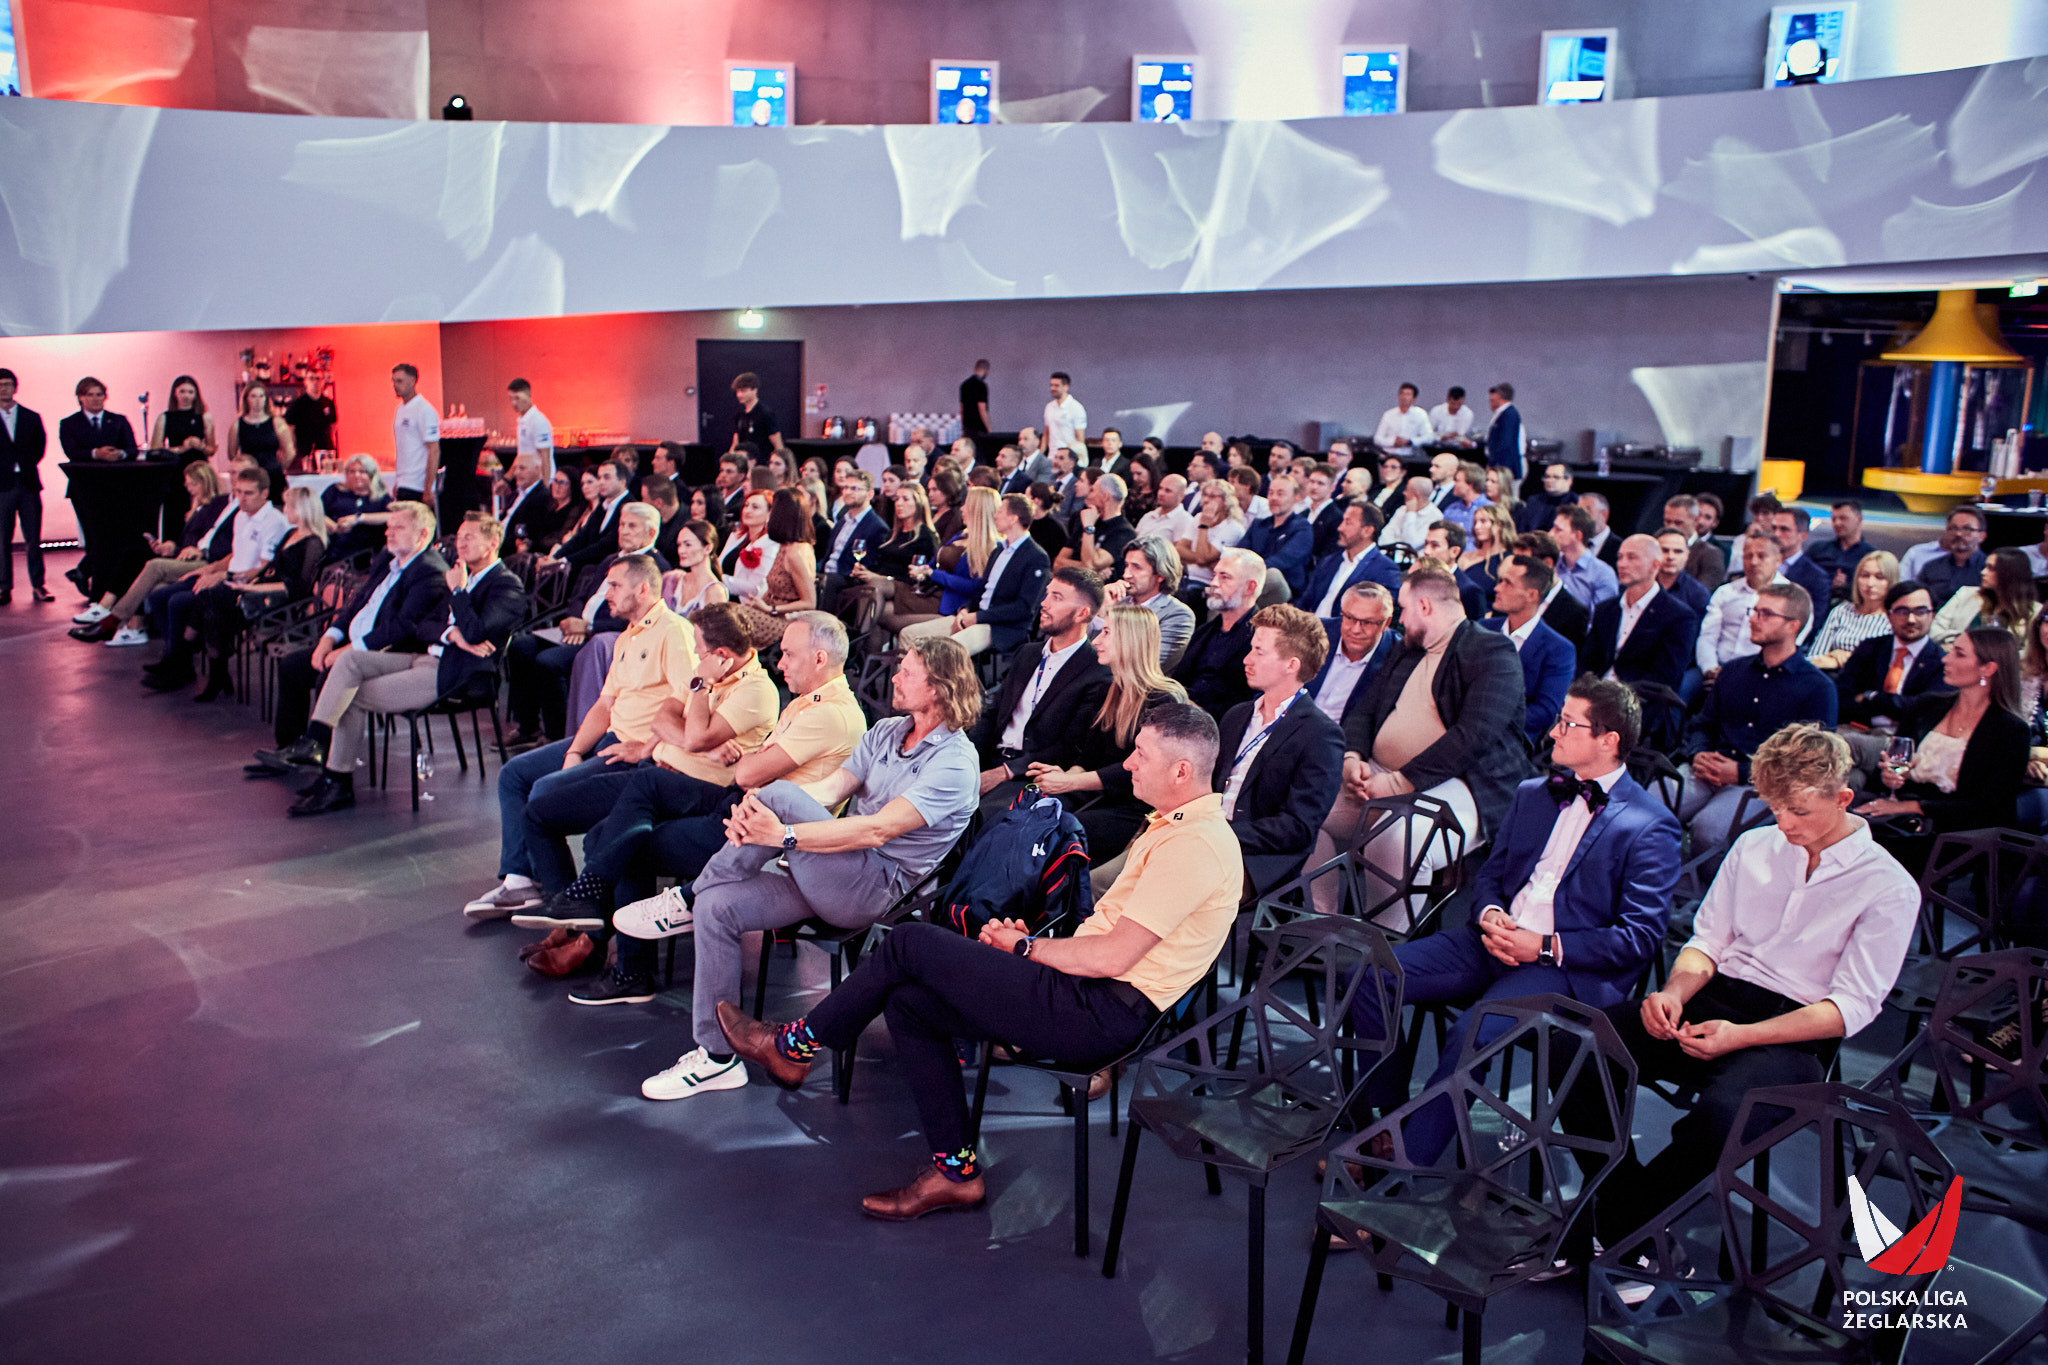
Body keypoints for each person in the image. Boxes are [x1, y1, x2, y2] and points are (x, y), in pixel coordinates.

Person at [716, 702, 1235, 1218]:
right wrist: (1034, 947)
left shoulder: (1194, 846)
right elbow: (1111, 944)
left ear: (1181, 771)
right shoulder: (1178, 828)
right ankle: (956, 1172)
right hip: (1085, 994)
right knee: (910, 1002)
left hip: (1096, 1014)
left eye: (1141, 754)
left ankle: (795, 1045)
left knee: (909, 942)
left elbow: (1113, 956)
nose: (1128, 764)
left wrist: (1026, 949)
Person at [1561, 724, 1917, 1254]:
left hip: (1796, 1030)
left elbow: (1849, 1008)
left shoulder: (1889, 886)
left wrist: (1742, 1035)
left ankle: (1618, 1227)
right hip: (1716, 995)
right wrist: (1675, 992)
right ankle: (1628, 1216)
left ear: (1844, 799)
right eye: (1775, 808)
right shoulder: (1755, 844)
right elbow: (1707, 941)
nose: (1784, 823)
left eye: (1799, 811)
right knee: (1575, 1049)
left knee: (1722, 1118)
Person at [1349, 678, 1681, 1164]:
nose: (1553, 732)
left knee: (1470, 1033)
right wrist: (1490, 914)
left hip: (1564, 970)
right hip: (1492, 940)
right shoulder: (1533, 793)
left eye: (1568, 724)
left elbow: (1639, 938)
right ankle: (1385, 1117)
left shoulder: (1650, 824)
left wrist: (1542, 946)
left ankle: (1403, 1164)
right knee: (1370, 973)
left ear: (1608, 741)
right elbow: (1492, 874)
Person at [645, 638, 979, 1101]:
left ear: (939, 687)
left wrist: (782, 832)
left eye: (907, 671)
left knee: (779, 793)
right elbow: (832, 789)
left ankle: (686, 896)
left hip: (875, 887)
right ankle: (717, 1059)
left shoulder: (956, 763)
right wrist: (763, 812)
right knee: (717, 906)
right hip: (834, 866)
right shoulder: (887, 730)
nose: (894, 677)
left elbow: (876, 831)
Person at [559, 613, 871, 1000]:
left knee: (620, 843)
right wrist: (729, 751)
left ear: (820, 658)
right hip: (739, 802)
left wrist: (732, 750)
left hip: (757, 833)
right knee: (646, 785)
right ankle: (589, 895)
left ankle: (630, 971)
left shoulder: (828, 712)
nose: (780, 663)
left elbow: (744, 770)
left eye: (789, 654)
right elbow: (682, 731)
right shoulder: (809, 702)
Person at [460, 554, 700, 929]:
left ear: (642, 588)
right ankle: (520, 882)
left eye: (615, 585)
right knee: (514, 775)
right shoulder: (627, 635)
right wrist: (574, 750)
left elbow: (689, 701)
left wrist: (647, 747)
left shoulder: (674, 631)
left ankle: (567, 904)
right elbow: (604, 704)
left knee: (544, 791)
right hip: (610, 736)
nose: (607, 593)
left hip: (636, 751)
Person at [1313, 561, 1533, 924]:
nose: (1400, 619)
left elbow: (1473, 736)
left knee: (1396, 839)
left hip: (1466, 783)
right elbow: (1365, 710)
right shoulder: (1408, 649)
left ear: (1425, 606)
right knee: (1308, 806)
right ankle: (1320, 925)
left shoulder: (1492, 651)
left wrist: (1398, 783)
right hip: (1380, 776)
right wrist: (1353, 758)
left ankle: (1386, 945)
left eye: (1403, 608)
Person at [282, 512, 527, 815]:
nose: (460, 544)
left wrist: (459, 593)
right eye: (459, 536)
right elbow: (424, 626)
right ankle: (316, 741)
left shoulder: (506, 586)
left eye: (469, 537)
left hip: (457, 675)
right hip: (427, 657)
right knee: (350, 660)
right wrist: (453, 634)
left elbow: (476, 632)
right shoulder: (459, 575)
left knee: (350, 696)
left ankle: (336, 780)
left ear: (493, 543)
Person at [1026, 605, 1189, 864]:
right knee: (1026, 812)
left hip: (1137, 807)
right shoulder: (1108, 690)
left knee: (1055, 833)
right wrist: (1066, 776)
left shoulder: (1164, 699)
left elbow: (1139, 770)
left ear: (1130, 640)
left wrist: (1071, 783)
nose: (1096, 641)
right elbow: (1089, 755)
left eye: (1106, 632)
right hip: (1099, 794)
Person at [1679, 582, 1836, 848]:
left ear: (1793, 626)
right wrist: (1698, 753)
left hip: (1764, 786)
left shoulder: (1818, 688)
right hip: (1709, 768)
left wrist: (1743, 772)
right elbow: (1703, 724)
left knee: (1708, 832)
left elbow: (1809, 764)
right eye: (1754, 611)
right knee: (1649, 806)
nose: (1752, 619)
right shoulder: (1733, 671)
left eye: (1766, 613)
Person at [1855, 626, 2029, 851]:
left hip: (1954, 832)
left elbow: (1990, 809)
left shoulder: (2011, 730)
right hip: (1899, 814)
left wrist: (1911, 807)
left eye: (1959, 654)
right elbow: (1889, 767)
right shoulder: (1927, 705)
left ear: (1988, 668)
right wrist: (1890, 778)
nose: (1946, 659)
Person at [971, 568, 1110, 813]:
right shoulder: (1028, 653)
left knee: (981, 815)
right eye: (1047, 594)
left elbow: (1069, 747)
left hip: (1033, 774)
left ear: (1082, 613)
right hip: (991, 758)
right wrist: (967, 755)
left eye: (1057, 597)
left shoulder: (1096, 672)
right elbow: (993, 713)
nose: (1044, 603)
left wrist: (1006, 772)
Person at [140, 466, 290, 691]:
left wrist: (223, 575)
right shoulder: (241, 515)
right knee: (159, 596)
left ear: (264, 493)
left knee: (179, 602)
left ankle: (178, 664)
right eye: (238, 492)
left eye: (248, 493)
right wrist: (209, 569)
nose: (241, 498)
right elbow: (234, 555)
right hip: (226, 574)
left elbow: (263, 567)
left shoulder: (273, 522)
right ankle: (176, 658)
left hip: (244, 585)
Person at [71, 462, 229, 643]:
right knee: (134, 556)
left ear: (205, 482)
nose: (189, 489)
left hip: (199, 559)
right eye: (188, 485)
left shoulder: (216, 506)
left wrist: (186, 550)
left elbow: (208, 542)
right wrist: (171, 547)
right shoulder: (195, 508)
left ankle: (112, 619)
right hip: (185, 555)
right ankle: (110, 609)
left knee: (151, 567)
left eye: (194, 484)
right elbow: (189, 542)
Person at [1581, 533, 1698, 748]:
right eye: (1620, 557)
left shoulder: (1679, 616)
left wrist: (1612, 699)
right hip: (1595, 696)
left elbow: (1663, 678)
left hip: (1640, 705)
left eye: (1632, 557)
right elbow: (1588, 661)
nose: (1622, 564)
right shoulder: (1606, 609)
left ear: (1655, 565)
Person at [899, 493, 1049, 658]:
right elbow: (981, 590)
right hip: (974, 616)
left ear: (1013, 518)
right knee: (908, 634)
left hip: (1000, 627)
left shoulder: (1036, 557)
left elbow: (1024, 608)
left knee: (947, 650)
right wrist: (965, 610)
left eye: (1000, 511)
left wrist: (978, 617)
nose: (995, 515)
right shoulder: (999, 550)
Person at [1479, 553, 1577, 749]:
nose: (1497, 588)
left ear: (1531, 595)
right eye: (1501, 581)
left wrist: (1489, 722)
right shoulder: (1482, 628)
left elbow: (1544, 711)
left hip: (1511, 743)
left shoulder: (1559, 649)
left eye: (1508, 583)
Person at [1172, 547, 1265, 716]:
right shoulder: (1205, 631)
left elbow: (1252, 699)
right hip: (1180, 713)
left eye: (1224, 577)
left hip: (1220, 723)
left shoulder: (1261, 638)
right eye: (1215, 575)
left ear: (1250, 587)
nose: (1214, 583)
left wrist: (1201, 713)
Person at [1695, 532, 1791, 681]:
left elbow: (1785, 648)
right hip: (1716, 667)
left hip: (1759, 674)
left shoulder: (1792, 597)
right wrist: (1710, 669)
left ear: (1778, 560)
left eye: (1761, 556)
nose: (1753, 562)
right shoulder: (1725, 592)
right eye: (1748, 556)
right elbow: (1708, 636)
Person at [1307, 582, 1395, 728]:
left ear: (1386, 623)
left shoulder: (1396, 656)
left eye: (1368, 622)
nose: (1356, 630)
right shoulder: (1315, 633)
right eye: (1350, 618)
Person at [1104, 537, 1195, 671]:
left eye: (1136, 567)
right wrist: (1103, 611)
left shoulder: (1178, 615)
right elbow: (1088, 650)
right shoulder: (1116, 603)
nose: (1126, 574)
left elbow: (1151, 665)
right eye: (1127, 565)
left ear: (1161, 574)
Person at [1302, 498, 1401, 620]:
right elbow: (1305, 602)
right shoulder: (1329, 562)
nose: (1340, 528)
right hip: (1310, 626)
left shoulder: (1384, 569)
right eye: (1342, 521)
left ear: (1367, 531)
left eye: (1348, 523)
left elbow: (1376, 617)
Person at [0, 369, 49, 606]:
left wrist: (26, 464)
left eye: (8, 384)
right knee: (2, 539)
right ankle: (3, 587)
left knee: (33, 537)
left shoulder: (31, 417)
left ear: (15, 387)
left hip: (28, 483)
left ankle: (38, 585)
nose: (4, 389)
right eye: (0, 385)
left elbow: (40, 446)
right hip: (2, 485)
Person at [1809, 551, 1901, 668]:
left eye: (1879, 577)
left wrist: (1847, 659)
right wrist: (1832, 655)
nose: (1870, 583)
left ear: (1891, 581)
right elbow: (1815, 656)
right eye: (1865, 576)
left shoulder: (1895, 619)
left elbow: (1887, 664)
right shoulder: (1841, 611)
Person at [1932, 547, 2038, 646]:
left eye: (1991, 568)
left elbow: (2030, 652)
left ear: (2009, 574)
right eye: (1985, 566)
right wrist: (1964, 642)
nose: (1983, 572)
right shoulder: (1965, 594)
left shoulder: (2035, 611)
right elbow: (1935, 630)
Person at [1511, 530, 1590, 653]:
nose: (1516, 570)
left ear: (1547, 563)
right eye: (1515, 562)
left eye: (1524, 563)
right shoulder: (1508, 596)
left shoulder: (1574, 613)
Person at [1175, 479, 1248, 608]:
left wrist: (1204, 526)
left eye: (1213, 496)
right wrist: (1201, 559)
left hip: (1208, 584)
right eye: (1205, 495)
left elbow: (1203, 558)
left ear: (1225, 501)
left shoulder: (1233, 527)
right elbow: (1180, 549)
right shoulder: (1198, 517)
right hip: (1185, 576)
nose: (1206, 500)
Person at [1242, 471, 1313, 598]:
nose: (1273, 498)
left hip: (1284, 592)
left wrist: (1249, 572)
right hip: (1251, 582)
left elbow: (1283, 560)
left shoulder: (1303, 528)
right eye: (1270, 493)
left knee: (1272, 575)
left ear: (1295, 498)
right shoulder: (1258, 525)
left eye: (1280, 494)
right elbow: (1241, 552)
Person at [1905, 506, 1989, 609]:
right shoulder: (1931, 567)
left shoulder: (1989, 569)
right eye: (1953, 528)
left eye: (1967, 529)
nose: (1958, 534)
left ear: (1982, 536)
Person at [224, 381, 292, 506]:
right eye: (253, 396)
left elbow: (289, 451)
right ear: (246, 399)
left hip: (273, 476)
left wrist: (279, 467)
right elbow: (232, 454)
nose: (257, 401)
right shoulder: (237, 425)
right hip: (249, 478)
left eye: (261, 396)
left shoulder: (277, 423)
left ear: (266, 399)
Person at [1062, 472, 1136, 581]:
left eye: (1092, 491)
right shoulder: (1086, 518)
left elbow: (1090, 564)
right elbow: (1058, 562)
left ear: (1105, 497)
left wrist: (1088, 528)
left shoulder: (1125, 532)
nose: (1089, 496)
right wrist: (1093, 570)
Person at [388, 363, 440, 506]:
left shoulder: (424, 410)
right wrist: (398, 481)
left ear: (412, 381)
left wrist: (428, 487)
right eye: (394, 381)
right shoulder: (400, 410)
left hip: (418, 484)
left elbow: (434, 450)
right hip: (404, 482)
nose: (395, 385)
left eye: (399, 381)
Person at [1767, 506, 1831, 613]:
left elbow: (1815, 618)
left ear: (1803, 535)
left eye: (1784, 529)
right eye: (1774, 528)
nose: (1776, 534)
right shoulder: (1758, 564)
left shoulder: (1817, 578)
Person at [1804, 499, 1873, 600]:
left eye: (1843, 518)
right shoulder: (1817, 549)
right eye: (1834, 519)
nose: (1837, 523)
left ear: (1859, 518)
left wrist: (1846, 587)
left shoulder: (1870, 556)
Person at [1552, 505, 1618, 609]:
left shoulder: (1603, 574)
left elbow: (1599, 615)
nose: (1551, 534)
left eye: (1558, 530)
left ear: (1577, 535)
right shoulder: (1551, 563)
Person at [1419, 524, 1490, 619]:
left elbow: (1473, 627)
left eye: (1434, 545)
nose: (1426, 551)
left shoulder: (1469, 591)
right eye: (1426, 544)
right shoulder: (1418, 580)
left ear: (1454, 552)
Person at [1660, 494, 1726, 591]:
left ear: (1695, 520)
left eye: (1678, 522)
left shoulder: (1710, 554)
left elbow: (1701, 593)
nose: (1671, 527)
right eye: (1668, 521)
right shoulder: (1654, 546)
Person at [1650, 527, 1713, 622]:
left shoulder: (1698, 593)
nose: (1671, 557)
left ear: (1687, 555)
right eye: (1665, 550)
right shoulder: (1638, 585)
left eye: (1678, 551)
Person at [150, 374, 216, 465]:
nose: (186, 396)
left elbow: (211, 450)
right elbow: (155, 450)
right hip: (175, 465)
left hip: (198, 466)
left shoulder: (204, 417)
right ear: (175, 393)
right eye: (182, 391)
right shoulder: (164, 417)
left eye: (190, 392)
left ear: (196, 394)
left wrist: (201, 446)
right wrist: (181, 449)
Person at [1458, 502, 1514, 601]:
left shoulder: (1508, 560)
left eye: (1483, 521)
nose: (1477, 527)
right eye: (1475, 522)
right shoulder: (1465, 557)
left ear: (1499, 525)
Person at [282, 372, 334, 470]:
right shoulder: (297, 404)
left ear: (323, 382)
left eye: (318, 378)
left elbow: (333, 426)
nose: (315, 382)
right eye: (311, 378)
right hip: (304, 454)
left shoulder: (328, 403)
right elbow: (289, 429)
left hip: (325, 453)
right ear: (305, 382)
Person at [1379, 476, 1442, 553]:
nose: (1404, 493)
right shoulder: (1401, 510)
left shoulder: (1435, 517)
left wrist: (1410, 514)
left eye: (1407, 490)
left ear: (1416, 495)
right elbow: (1385, 535)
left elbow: (1411, 544)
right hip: (1390, 554)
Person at [729, 373, 784, 458]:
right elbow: (736, 442)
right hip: (744, 461)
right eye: (737, 391)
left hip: (762, 460)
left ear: (754, 390)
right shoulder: (739, 414)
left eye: (743, 391)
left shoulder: (766, 413)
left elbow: (778, 445)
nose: (739, 395)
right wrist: (729, 459)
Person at [507, 377, 553, 476]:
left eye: (517, 398)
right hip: (527, 478)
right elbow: (521, 456)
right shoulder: (522, 421)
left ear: (528, 396)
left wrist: (545, 484)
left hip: (539, 479)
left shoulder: (538, 421)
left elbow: (545, 458)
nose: (514, 403)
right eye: (511, 399)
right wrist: (507, 478)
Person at [1517, 461, 1576, 535]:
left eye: (1556, 477)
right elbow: (1522, 529)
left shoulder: (1576, 503)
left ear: (1569, 481)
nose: (1550, 480)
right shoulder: (1533, 501)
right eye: (1547, 477)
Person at [1439, 460, 1492, 542]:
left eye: (1457, 480)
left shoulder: (1490, 508)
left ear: (1470, 484)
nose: (1454, 484)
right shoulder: (1451, 509)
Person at [1374, 381, 1433, 453]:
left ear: (1414, 398)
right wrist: (1393, 441)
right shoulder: (1389, 414)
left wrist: (1410, 441)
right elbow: (1377, 439)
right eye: (1401, 393)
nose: (1404, 397)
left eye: (1408, 394)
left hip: (1410, 455)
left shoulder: (1420, 414)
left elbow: (1429, 437)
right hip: (1389, 454)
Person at [1043, 371, 1087, 464]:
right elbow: (1046, 433)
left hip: (1068, 460)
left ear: (1066, 386)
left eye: (1056, 385)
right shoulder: (1049, 407)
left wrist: (1078, 462)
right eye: (1051, 385)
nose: (1053, 388)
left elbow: (1080, 438)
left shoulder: (1076, 408)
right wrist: (1040, 454)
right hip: (1052, 457)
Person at [1483, 382, 1524, 476]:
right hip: (1501, 463)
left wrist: (1493, 463)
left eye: (1492, 399)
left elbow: (1505, 442)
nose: (1490, 403)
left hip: (1504, 465)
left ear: (1499, 396)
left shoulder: (1509, 414)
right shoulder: (1503, 414)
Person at [1581, 492, 1619, 568]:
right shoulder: (1571, 543)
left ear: (1604, 515)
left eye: (1588, 511)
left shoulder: (1620, 548)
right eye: (1579, 512)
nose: (1582, 518)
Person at [1369, 453, 1409, 521]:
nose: (1388, 470)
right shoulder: (1375, 489)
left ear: (1403, 472)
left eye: (1393, 467)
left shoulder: (1404, 494)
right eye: (1385, 466)